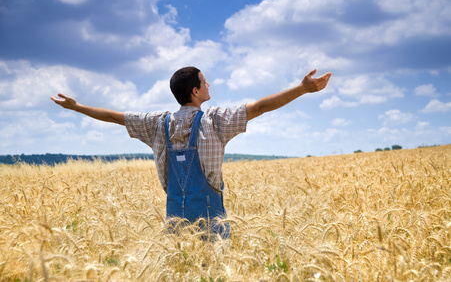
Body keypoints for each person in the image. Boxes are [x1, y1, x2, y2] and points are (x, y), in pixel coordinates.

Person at [51, 67, 331, 240]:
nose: (210, 85)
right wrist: (302, 89)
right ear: (196, 91)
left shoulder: (157, 123)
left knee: (180, 270)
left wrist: (78, 108)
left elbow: (116, 117)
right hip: (211, 220)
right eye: (205, 82)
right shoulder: (215, 121)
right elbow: (259, 107)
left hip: (174, 217)